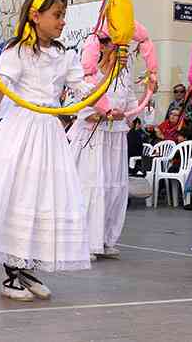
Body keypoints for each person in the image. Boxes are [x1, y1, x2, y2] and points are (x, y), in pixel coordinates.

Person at [0, 0, 125, 302]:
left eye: (64, 16)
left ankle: (26, 268)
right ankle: (12, 272)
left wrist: (111, 73)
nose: (62, 22)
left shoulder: (65, 54)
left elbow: (83, 91)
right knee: (19, 196)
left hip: (50, 134)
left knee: (42, 198)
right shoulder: (16, 52)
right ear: (35, 16)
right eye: (57, 15)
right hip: (22, 131)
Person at [68, 34, 141, 261]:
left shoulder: (125, 76)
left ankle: (106, 239)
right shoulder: (91, 76)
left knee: (114, 187)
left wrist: (131, 112)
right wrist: (105, 115)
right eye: (117, 49)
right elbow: (83, 111)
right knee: (92, 186)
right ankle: (86, 242)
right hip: (94, 138)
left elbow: (131, 106)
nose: (122, 55)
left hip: (115, 138)